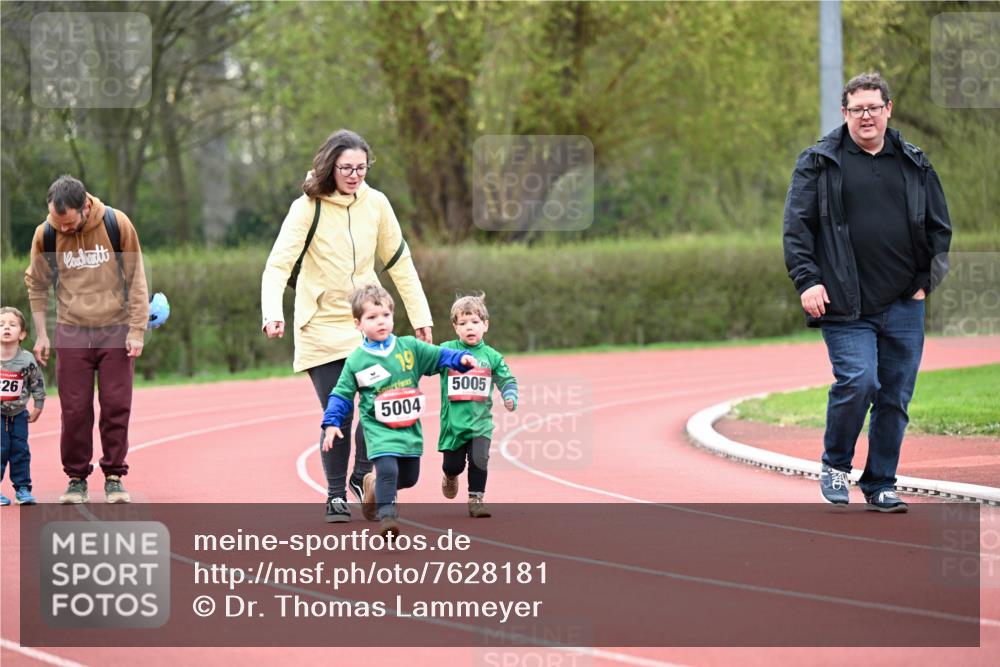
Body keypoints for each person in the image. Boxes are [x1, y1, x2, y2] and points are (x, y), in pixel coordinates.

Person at [783, 72, 952, 513]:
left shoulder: (915, 162)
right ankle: (836, 466)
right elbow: (797, 228)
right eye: (857, 109)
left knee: (894, 397)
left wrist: (924, 282)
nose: (866, 117)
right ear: (845, 113)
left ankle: (880, 483)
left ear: (888, 109)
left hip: (903, 303)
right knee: (858, 382)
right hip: (843, 301)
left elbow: (939, 228)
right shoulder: (818, 162)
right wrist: (808, 280)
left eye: (873, 108)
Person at [261, 130, 435, 523]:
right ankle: (335, 494)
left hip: (366, 325)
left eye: (361, 168)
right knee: (338, 411)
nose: (354, 175)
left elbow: (399, 263)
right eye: (346, 169)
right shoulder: (307, 207)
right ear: (329, 166)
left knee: (376, 404)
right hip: (320, 326)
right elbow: (278, 265)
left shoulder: (376, 204)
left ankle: (360, 477)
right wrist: (272, 312)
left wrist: (421, 317)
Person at [25, 175, 149, 505]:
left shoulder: (115, 223)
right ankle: (76, 478)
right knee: (75, 410)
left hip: (115, 328)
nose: (61, 228)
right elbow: (36, 285)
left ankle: (114, 476)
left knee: (115, 406)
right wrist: (41, 333)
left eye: (67, 222)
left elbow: (137, 278)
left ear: (85, 207)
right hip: (72, 330)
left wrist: (137, 330)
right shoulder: (46, 233)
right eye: (56, 220)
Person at [321, 285, 475, 537]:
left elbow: (439, 356)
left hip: (408, 429)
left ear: (392, 316)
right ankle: (387, 518)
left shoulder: (409, 347)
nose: (380, 322)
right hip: (378, 430)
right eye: (371, 317)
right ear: (358, 324)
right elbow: (341, 393)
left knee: (409, 477)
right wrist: (332, 422)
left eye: (385, 315)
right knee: (388, 470)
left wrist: (461, 360)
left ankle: (371, 486)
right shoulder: (357, 360)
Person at [437, 293, 518, 518]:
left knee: (479, 459)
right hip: (453, 425)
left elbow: (506, 379)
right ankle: (449, 476)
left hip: (480, 424)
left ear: (485, 325)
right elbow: (427, 361)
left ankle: (476, 499)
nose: (469, 327)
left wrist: (509, 395)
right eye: (463, 323)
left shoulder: (491, 356)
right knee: (454, 465)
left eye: (475, 322)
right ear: (455, 327)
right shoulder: (446, 350)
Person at [1, 307, 46, 506]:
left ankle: (22, 489)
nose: (6, 328)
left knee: (20, 450)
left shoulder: (27, 359)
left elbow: (36, 382)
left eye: (12, 324)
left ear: (22, 333)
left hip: (19, 414)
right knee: (0, 449)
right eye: (1, 325)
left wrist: (38, 405)